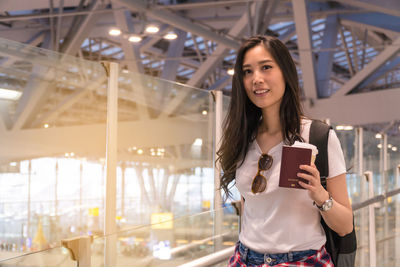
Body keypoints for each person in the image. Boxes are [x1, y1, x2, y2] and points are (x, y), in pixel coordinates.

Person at [217, 35, 354, 266]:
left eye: (266, 67)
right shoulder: (242, 137)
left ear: (285, 72)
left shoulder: (318, 137)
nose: (256, 79)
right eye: (247, 71)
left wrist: (320, 195)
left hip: (302, 260)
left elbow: (345, 225)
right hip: (245, 258)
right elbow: (250, 208)